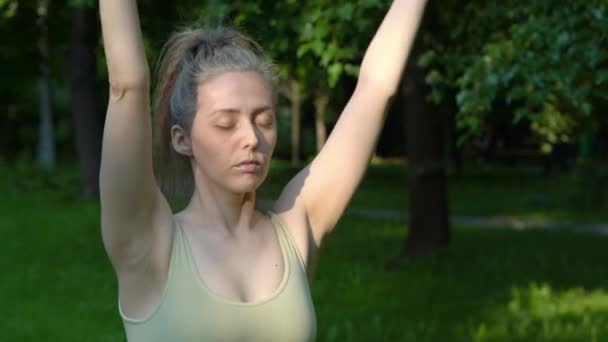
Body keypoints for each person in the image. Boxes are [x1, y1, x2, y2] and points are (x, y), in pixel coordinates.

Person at [99, 0, 428, 340]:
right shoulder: (148, 243)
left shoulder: (298, 227)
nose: (251, 138)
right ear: (183, 140)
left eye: (264, 120)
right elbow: (127, 86)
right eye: (226, 124)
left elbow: (375, 90)